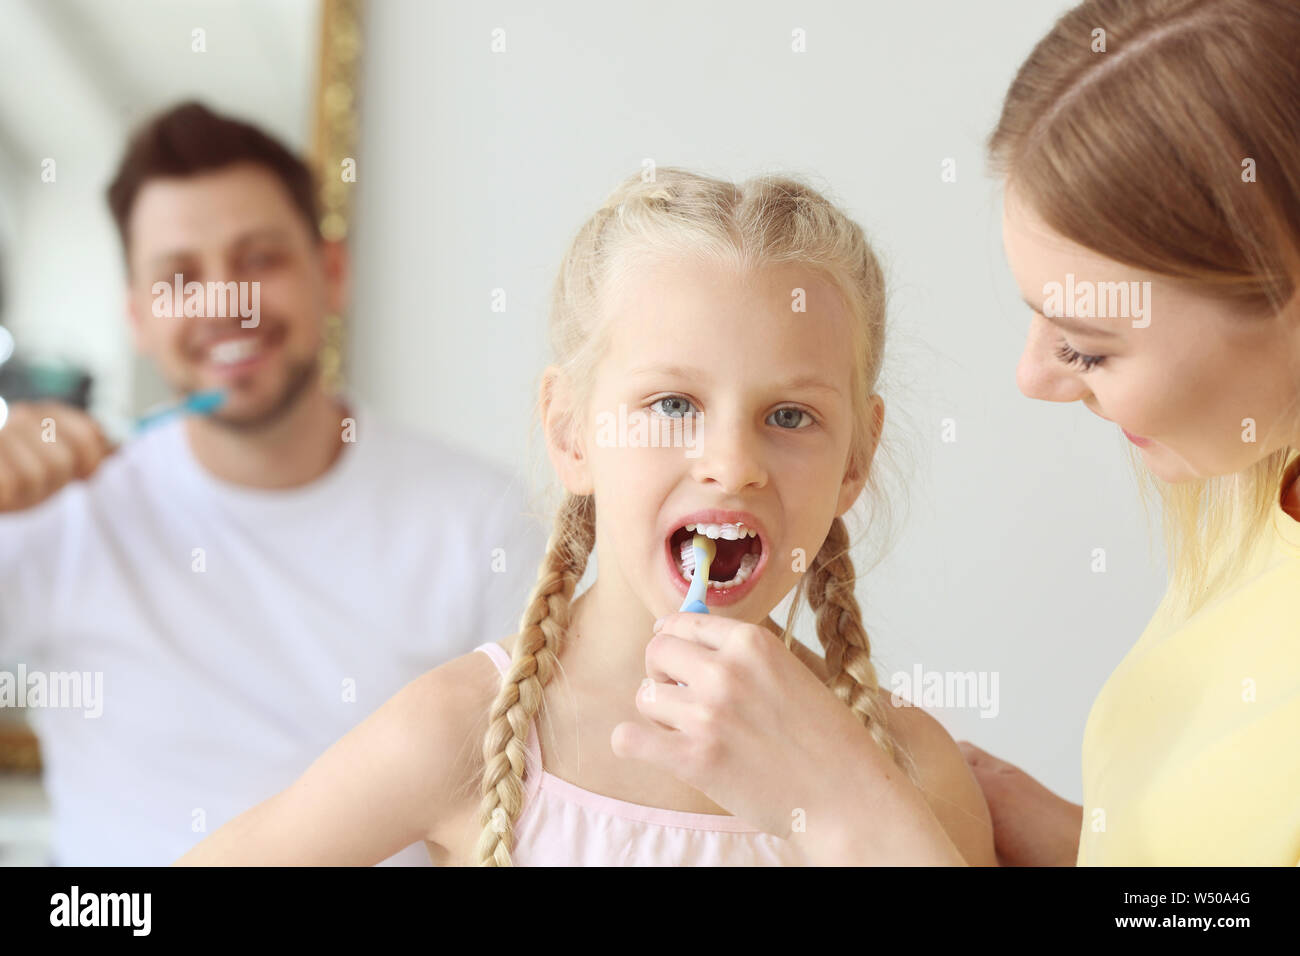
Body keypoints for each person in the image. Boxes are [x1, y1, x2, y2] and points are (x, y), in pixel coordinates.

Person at [597, 0, 1300, 866]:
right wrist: (1098, 849)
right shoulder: (1257, 488)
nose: (1033, 379)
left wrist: (854, 817)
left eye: (1091, 346)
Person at [175, 169, 998, 866]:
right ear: (571, 433)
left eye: (789, 417)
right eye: (673, 403)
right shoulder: (457, 729)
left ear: (856, 458)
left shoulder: (912, 773)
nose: (733, 464)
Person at [0, 101, 543, 866]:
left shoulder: (482, 520)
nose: (226, 301)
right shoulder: (51, 514)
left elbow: (537, 811)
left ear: (331, 273)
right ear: (137, 316)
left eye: (258, 259)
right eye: (180, 277)